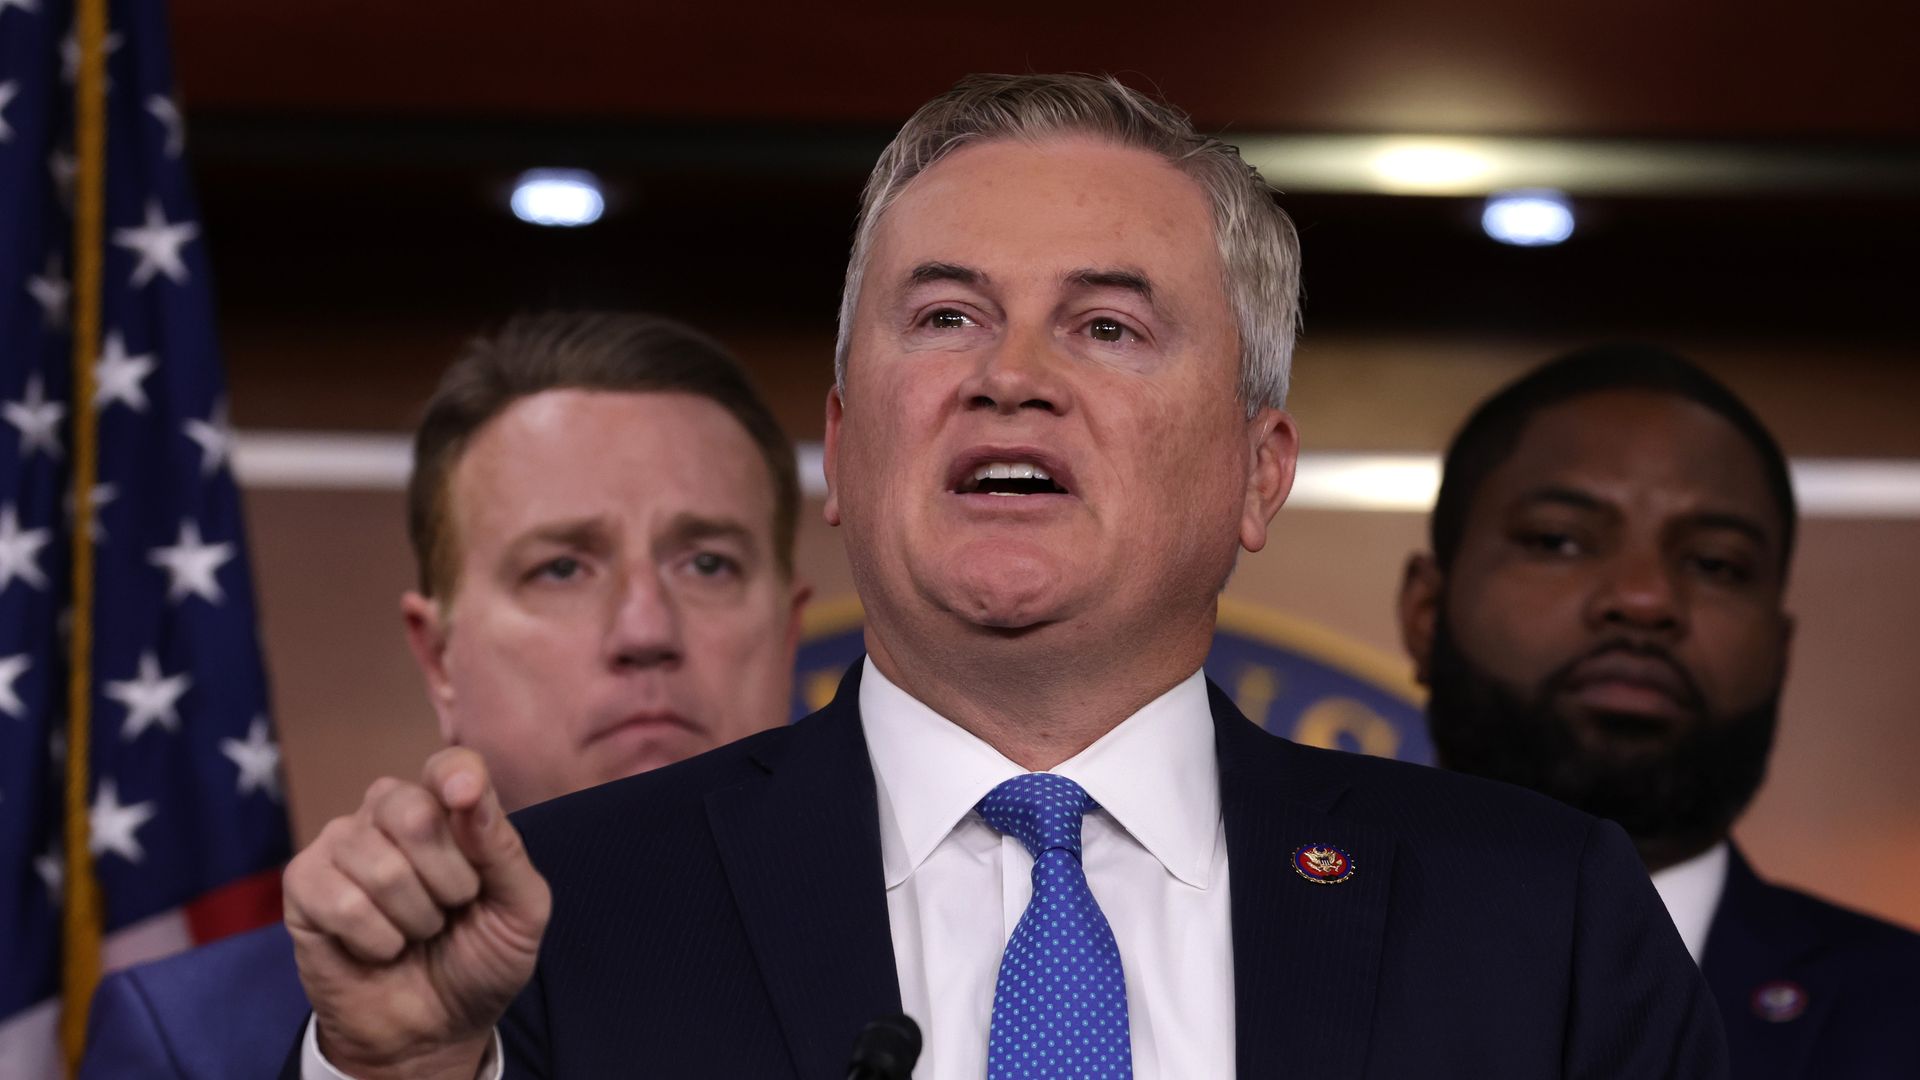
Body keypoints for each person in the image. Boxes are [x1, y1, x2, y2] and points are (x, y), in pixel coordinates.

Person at [286, 75, 1726, 1080]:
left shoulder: (1537, 919)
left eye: (1106, 327)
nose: (1010, 378)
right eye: (946, 315)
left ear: (1257, 473)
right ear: (843, 455)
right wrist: (406, 1076)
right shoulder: (564, 921)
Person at [78, 310, 809, 1079]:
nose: (646, 627)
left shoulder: (929, 956)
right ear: (438, 659)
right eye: (560, 568)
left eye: (708, 565)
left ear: (788, 632)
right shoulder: (191, 1041)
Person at [1398, 343, 1920, 1078]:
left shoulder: (1904, 1014)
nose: (1645, 600)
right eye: (1560, 540)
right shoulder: (1261, 958)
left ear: (1781, 649)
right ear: (1425, 612)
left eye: (1715, 564)